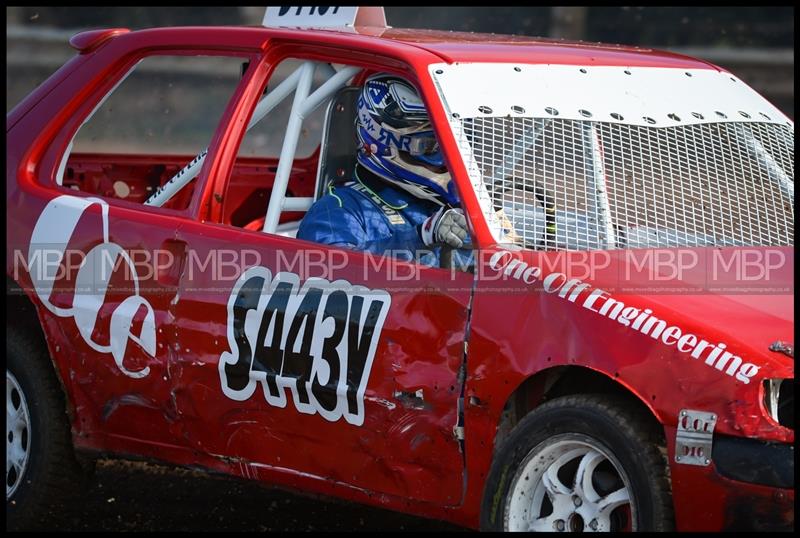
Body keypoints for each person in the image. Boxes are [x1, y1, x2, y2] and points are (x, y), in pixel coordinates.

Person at [297, 73, 471, 267]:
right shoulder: (339, 208)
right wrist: (421, 237)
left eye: (455, 142)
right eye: (430, 147)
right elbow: (331, 271)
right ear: (383, 145)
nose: (447, 159)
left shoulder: (469, 205)